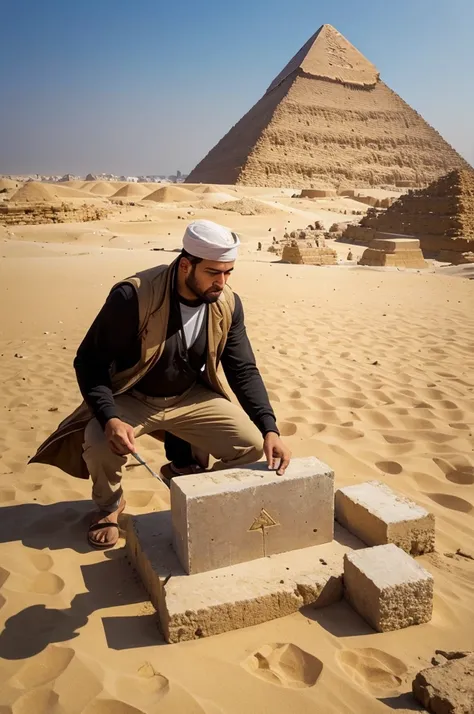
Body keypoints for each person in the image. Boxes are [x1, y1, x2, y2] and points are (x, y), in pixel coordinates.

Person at [29, 219, 291, 549]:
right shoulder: (134, 296)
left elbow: (243, 370)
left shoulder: (227, 303)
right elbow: (89, 362)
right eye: (213, 272)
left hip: (189, 397)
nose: (221, 283)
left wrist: (270, 427)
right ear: (186, 265)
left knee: (252, 446)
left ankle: (191, 489)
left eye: (228, 273)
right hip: (132, 394)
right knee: (98, 442)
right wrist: (110, 418)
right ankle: (110, 506)